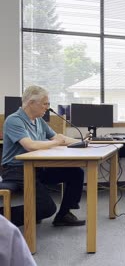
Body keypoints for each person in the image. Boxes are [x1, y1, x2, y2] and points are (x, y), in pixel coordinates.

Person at [1, 85, 86, 227]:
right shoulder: (14, 120)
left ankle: (63, 215)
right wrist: (56, 142)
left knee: (75, 172)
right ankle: (3, 216)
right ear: (31, 102)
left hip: (38, 167)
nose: (47, 107)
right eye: (45, 103)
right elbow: (30, 145)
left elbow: (58, 137)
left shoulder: (39, 121)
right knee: (46, 208)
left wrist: (83, 143)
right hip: (16, 170)